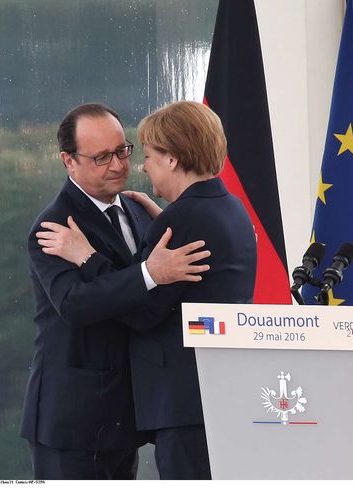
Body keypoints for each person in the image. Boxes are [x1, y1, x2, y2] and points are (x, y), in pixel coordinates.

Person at [39, 101, 257, 479]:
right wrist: (159, 239)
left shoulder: (178, 218)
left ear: (172, 159)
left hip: (183, 401)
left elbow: (141, 313)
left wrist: (88, 258)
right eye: (103, 156)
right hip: (210, 395)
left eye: (141, 153)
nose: (136, 164)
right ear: (68, 160)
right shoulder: (230, 208)